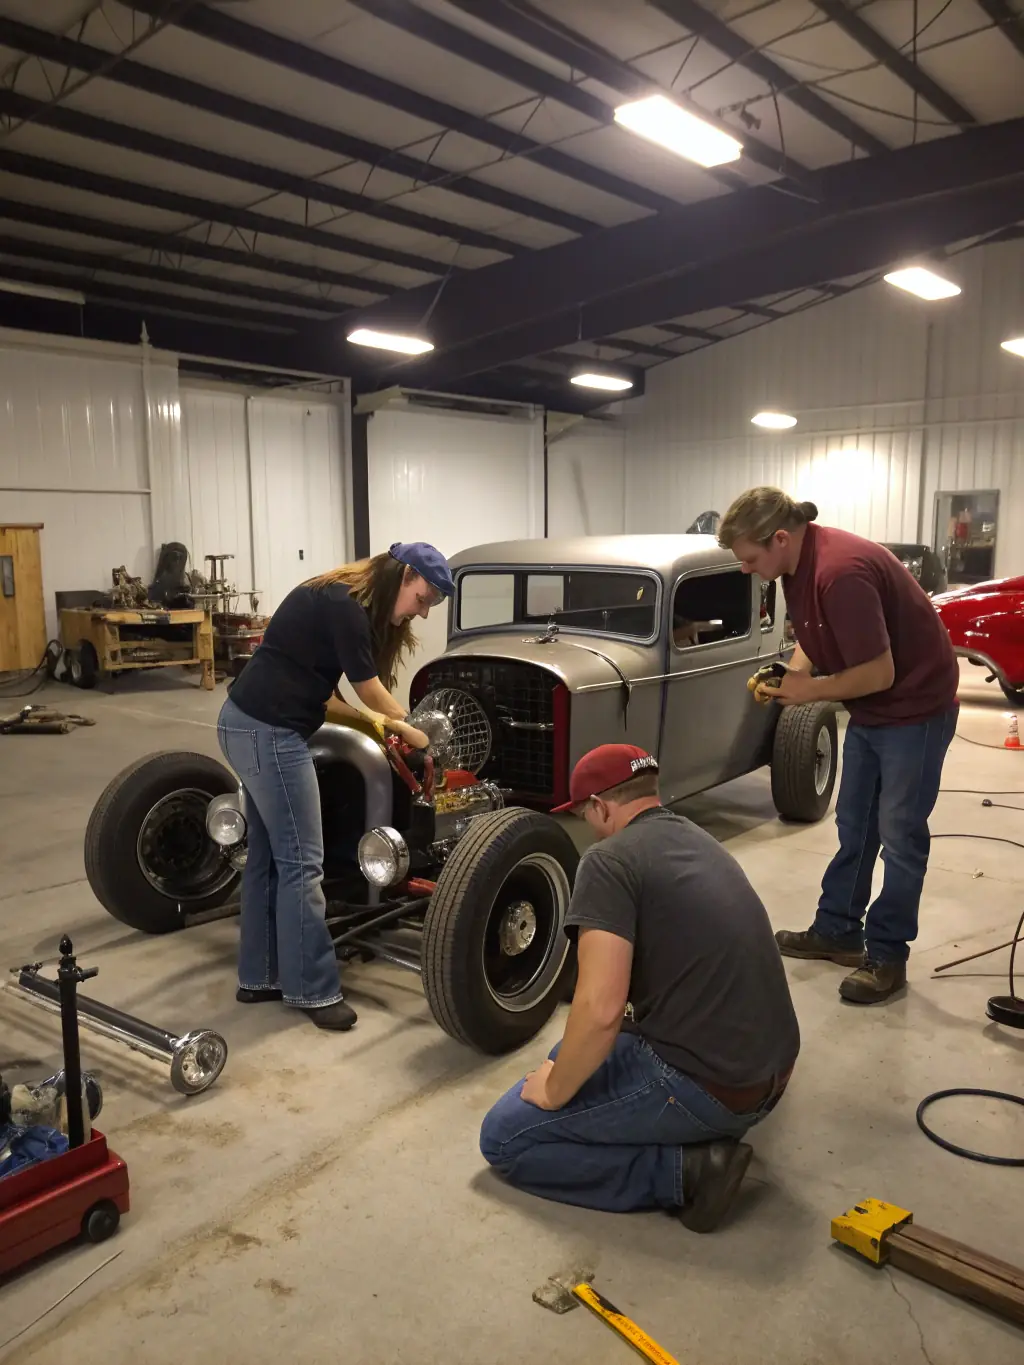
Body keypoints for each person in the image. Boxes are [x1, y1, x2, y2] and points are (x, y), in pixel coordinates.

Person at [478, 744, 799, 1232]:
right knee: (573, 1048)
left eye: (586, 814)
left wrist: (555, 1091)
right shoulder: (694, 837)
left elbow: (603, 1010)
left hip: (715, 1088)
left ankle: (686, 1173)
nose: (589, 825)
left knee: (505, 1137)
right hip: (769, 1069)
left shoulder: (608, 860)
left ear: (601, 807)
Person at [718, 488, 959, 1004]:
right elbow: (816, 632)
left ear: (780, 538)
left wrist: (811, 692)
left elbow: (880, 670)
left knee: (899, 835)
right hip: (876, 709)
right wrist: (795, 671)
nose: (745, 569)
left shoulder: (840, 571)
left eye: (750, 558)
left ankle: (887, 954)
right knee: (855, 824)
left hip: (915, 709)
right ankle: (839, 930)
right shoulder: (794, 568)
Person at [217, 542, 454, 1030]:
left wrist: (378, 724)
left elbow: (328, 696)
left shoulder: (332, 594)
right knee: (304, 863)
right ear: (405, 576)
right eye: (423, 598)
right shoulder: (347, 609)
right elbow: (368, 689)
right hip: (271, 733)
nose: (422, 612)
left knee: (268, 857)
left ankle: (259, 976)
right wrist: (408, 727)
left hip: (243, 723)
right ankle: (312, 989)